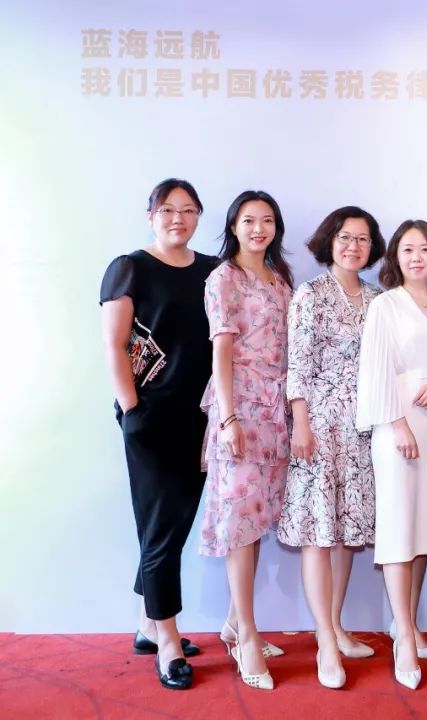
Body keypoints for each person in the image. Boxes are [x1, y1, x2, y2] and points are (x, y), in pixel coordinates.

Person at [100, 179, 217, 690]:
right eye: (168, 209)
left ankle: (148, 625)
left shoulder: (212, 270)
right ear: (151, 215)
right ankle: (168, 641)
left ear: (198, 216)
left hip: (201, 417)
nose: (178, 219)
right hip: (151, 418)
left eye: (188, 210)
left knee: (171, 525)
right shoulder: (130, 267)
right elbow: (114, 344)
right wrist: (132, 411)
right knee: (161, 529)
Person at [277, 206, 385, 689]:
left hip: (362, 429)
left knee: (346, 532)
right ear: (330, 241)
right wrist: (301, 424)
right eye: (345, 237)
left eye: (362, 239)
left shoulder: (379, 299)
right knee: (319, 532)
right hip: (318, 428)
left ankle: (337, 626)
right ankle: (324, 640)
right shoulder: (310, 294)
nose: (353, 246)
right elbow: (297, 365)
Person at [199, 190, 294, 691]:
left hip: (275, 411)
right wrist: (229, 418)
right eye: (249, 220)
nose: (259, 229)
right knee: (239, 523)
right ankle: (249, 637)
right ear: (233, 226)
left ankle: (236, 623)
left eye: (268, 220)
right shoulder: (224, 278)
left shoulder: (279, 279)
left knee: (255, 520)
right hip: (239, 408)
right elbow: (222, 350)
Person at [356, 220, 427, 690]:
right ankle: (403, 642)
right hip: (397, 425)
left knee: (423, 528)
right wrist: (396, 425)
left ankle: (409, 627)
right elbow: (374, 370)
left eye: (425, 249)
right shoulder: (385, 305)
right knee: (399, 529)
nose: (417, 257)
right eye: (408, 249)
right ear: (395, 256)